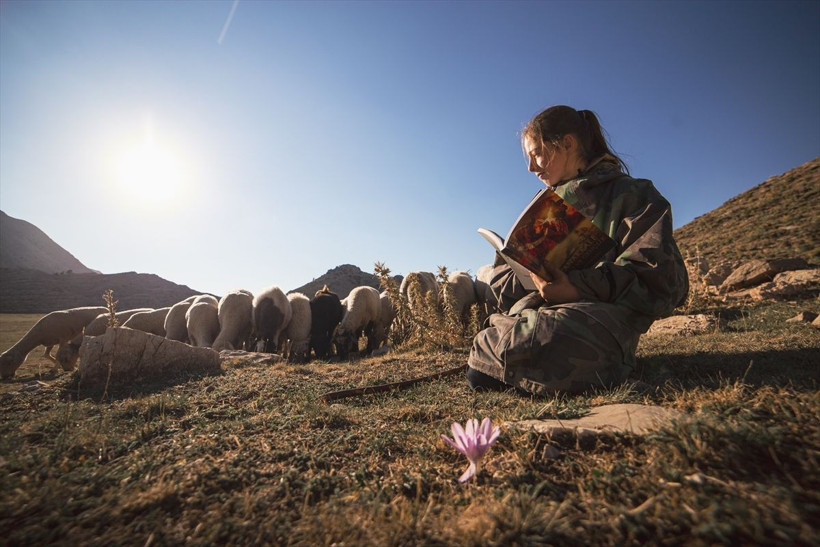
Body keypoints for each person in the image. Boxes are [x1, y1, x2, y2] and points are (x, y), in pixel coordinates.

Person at [467, 105, 689, 395]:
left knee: (528, 341)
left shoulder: (634, 195)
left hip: (596, 319)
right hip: (545, 312)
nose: (531, 167)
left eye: (536, 153)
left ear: (568, 144)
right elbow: (510, 281)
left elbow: (661, 279)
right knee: (493, 345)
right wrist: (522, 273)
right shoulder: (546, 205)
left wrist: (575, 287)